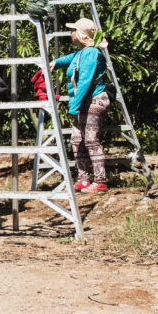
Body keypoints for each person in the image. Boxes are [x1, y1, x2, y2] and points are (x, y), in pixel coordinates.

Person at [49, 17, 111, 193]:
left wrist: (73, 107)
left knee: (91, 139)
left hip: (94, 99)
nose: (71, 33)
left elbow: (85, 81)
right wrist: (56, 62)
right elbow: (70, 59)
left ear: (82, 35)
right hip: (84, 101)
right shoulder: (82, 52)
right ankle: (83, 179)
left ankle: (100, 181)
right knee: (76, 139)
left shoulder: (91, 53)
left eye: (74, 30)